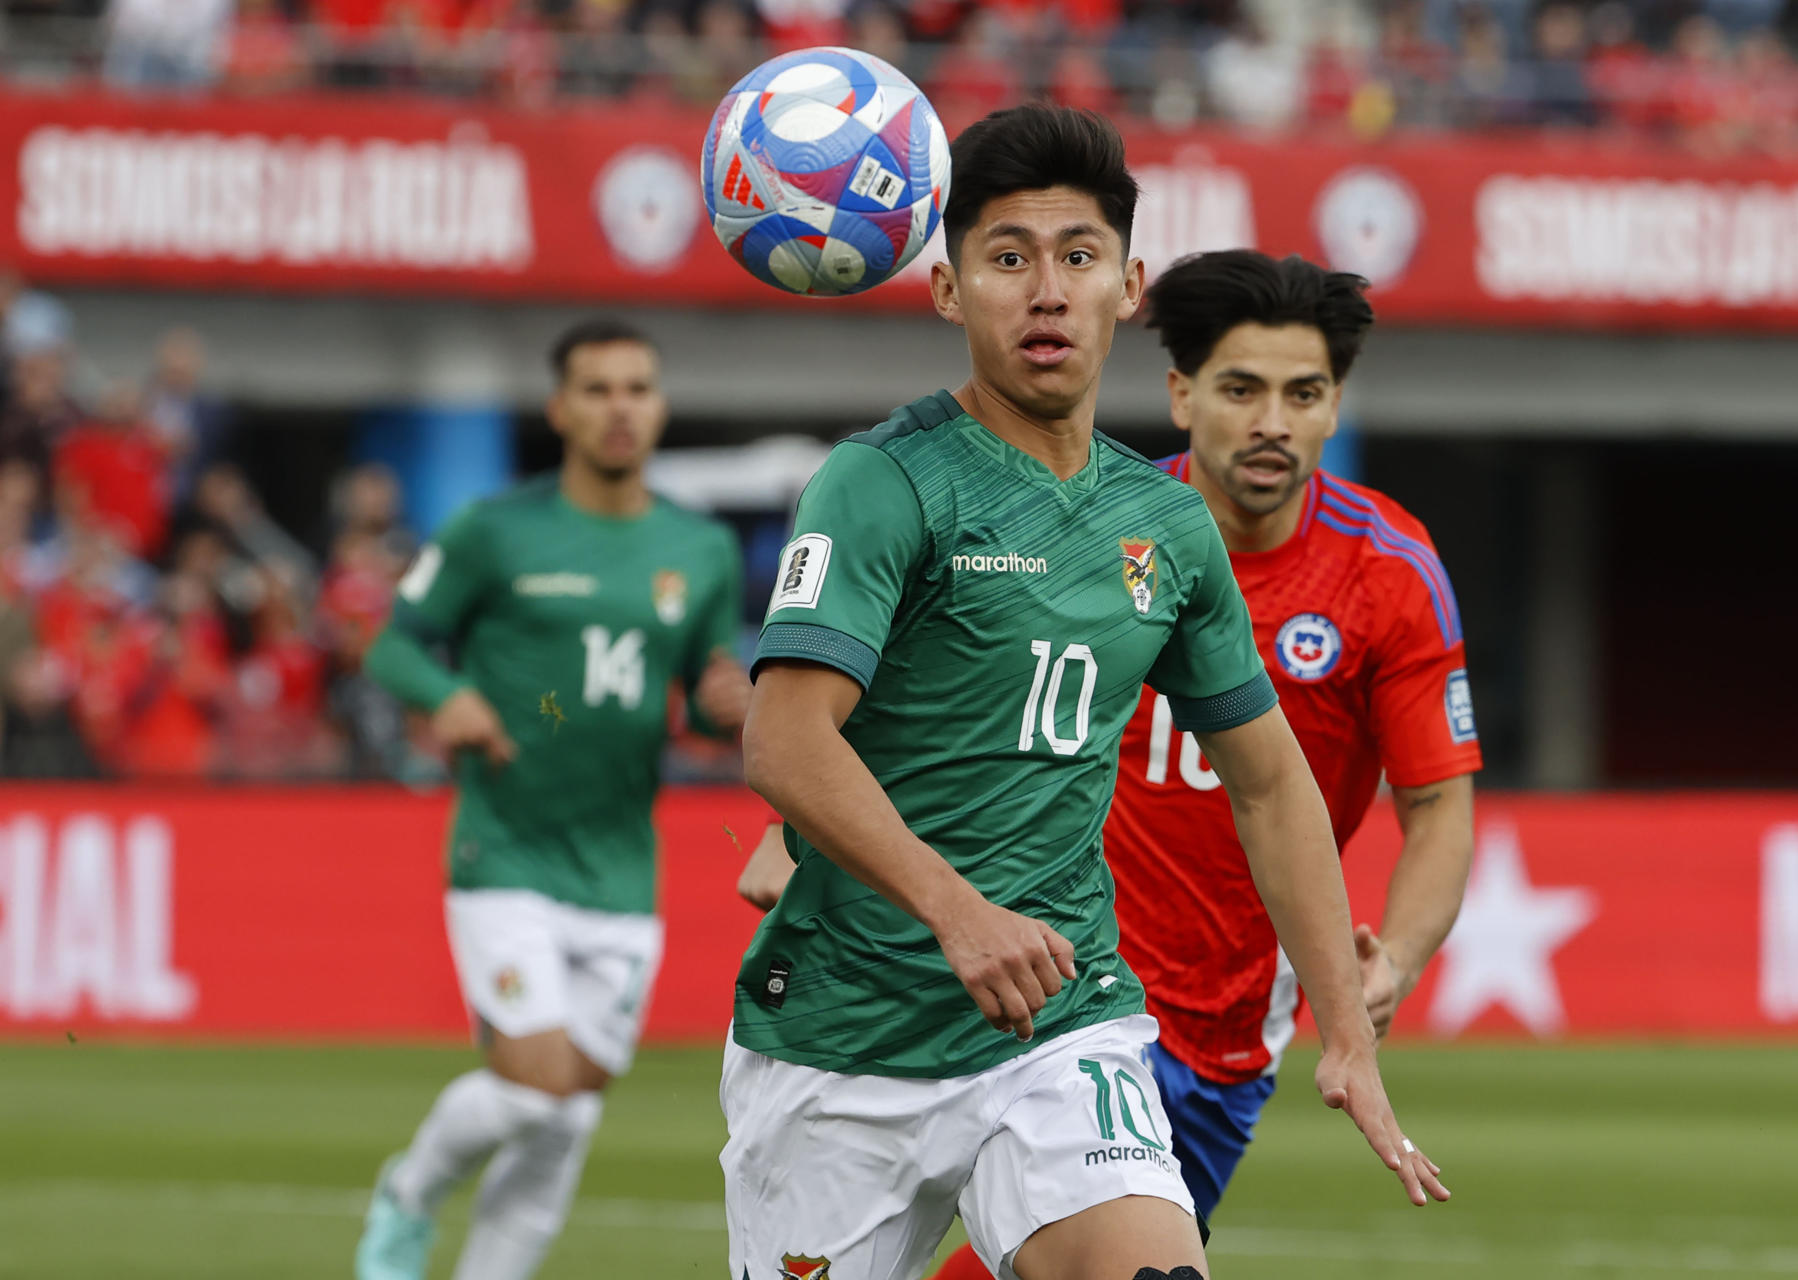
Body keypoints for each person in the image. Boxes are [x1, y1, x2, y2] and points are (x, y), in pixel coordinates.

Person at [725, 105, 1443, 1280]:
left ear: (1129, 284)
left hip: (1065, 1022)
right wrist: (959, 914)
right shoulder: (878, 482)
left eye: (1078, 256)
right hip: (845, 1033)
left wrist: (1348, 1031)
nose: (1047, 290)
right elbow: (786, 742)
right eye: (1008, 259)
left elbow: (1271, 784)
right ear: (950, 291)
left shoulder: (1164, 525)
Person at [926, 250, 1482, 1279]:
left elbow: (1440, 804)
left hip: (1225, 1035)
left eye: (1302, 393)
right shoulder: (1089, 527)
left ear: (1333, 408)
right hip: (1059, 982)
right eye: (1241, 388)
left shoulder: (1390, 573)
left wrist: (1391, 959)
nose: (1272, 419)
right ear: (1182, 396)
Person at [353, 319, 751, 1280]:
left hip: (619, 869)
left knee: (566, 1114)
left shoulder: (696, 548)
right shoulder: (496, 531)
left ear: (658, 407)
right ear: (560, 409)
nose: (622, 407)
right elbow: (397, 642)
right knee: (535, 1087)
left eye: (638, 388)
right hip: (507, 851)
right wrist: (447, 696)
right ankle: (409, 1191)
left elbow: (704, 681)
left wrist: (729, 697)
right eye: (600, 388)